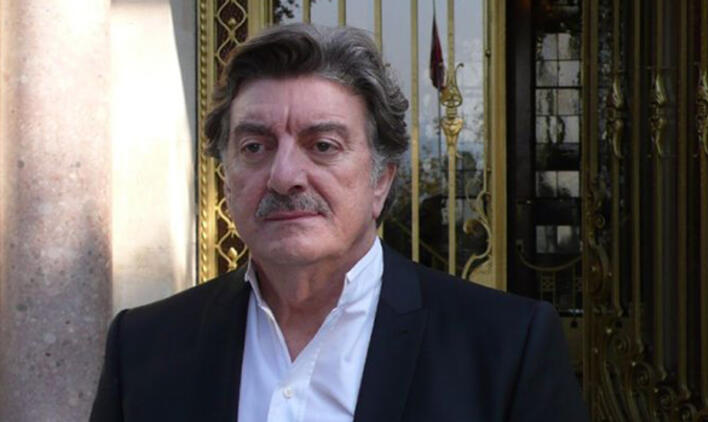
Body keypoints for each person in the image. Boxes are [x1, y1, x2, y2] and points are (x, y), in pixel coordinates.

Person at [90, 23, 588, 422]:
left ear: (381, 181)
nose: (284, 176)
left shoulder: (505, 348)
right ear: (226, 178)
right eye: (255, 147)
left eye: (323, 146)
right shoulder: (144, 347)